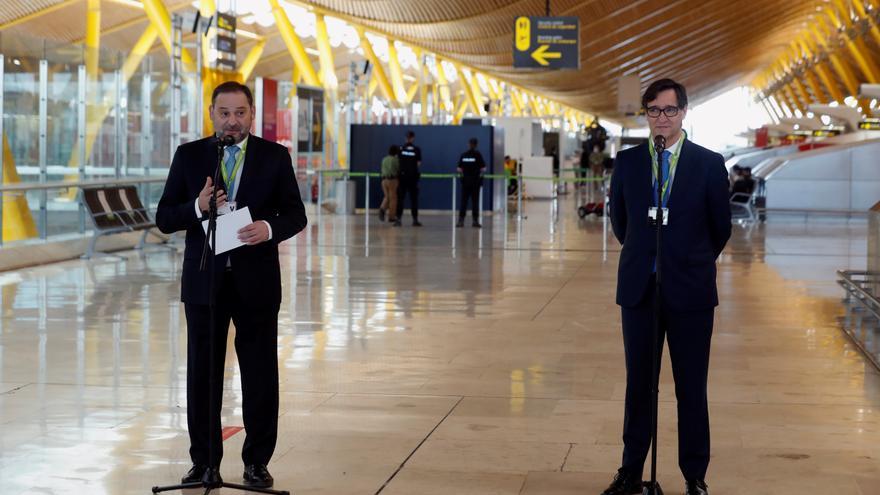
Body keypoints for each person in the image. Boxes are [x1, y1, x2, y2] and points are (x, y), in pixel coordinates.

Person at [156, 81, 308, 489]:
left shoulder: (275, 157)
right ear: (211, 113)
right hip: (204, 280)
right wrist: (196, 206)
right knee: (202, 374)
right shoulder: (189, 156)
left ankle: (257, 461)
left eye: (240, 113)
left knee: (259, 372)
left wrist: (269, 227)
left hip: (256, 281)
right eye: (224, 113)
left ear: (252, 114)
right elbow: (164, 217)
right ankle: (204, 463)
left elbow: (296, 214)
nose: (232, 121)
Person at [605, 79, 731, 495]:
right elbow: (621, 222)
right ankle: (631, 471)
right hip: (640, 291)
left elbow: (720, 229)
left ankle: (695, 475)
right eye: (654, 111)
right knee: (638, 384)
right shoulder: (626, 162)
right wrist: (648, 257)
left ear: (684, 113)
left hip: (691, 292)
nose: (662, 119)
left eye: (669, 111)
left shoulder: (708, 164)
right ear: (646, 114)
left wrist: (687, 260)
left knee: (691, 386)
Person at [456, 138, 486, 228]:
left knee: (463, 202)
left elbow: (458, 169)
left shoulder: (464, 155)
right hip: (475, 183)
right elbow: (484, 168)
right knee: (475, 202)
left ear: (469, 144)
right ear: (476, 145)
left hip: (465, 182)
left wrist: (463, 175)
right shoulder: (478, 155)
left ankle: (461, 221)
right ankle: (475, 221)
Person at [397, 130, 423, 226]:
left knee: (400, 199)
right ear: (413, 138)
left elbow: (398, 162)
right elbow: (418, 163)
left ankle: (398, 219)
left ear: (406, 138)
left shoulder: (401, 149)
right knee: (414, 200)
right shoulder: (417, 150)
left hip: (402, 177)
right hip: (412, 178)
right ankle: (415, 220)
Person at [380, 145, 401, 226]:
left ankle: (382, 209)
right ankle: (391, 217)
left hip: (383, 180)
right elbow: (398, 169)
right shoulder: (395, 160)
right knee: (393, 199)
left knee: (386, 197)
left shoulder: (384, 159)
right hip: (392, 180)